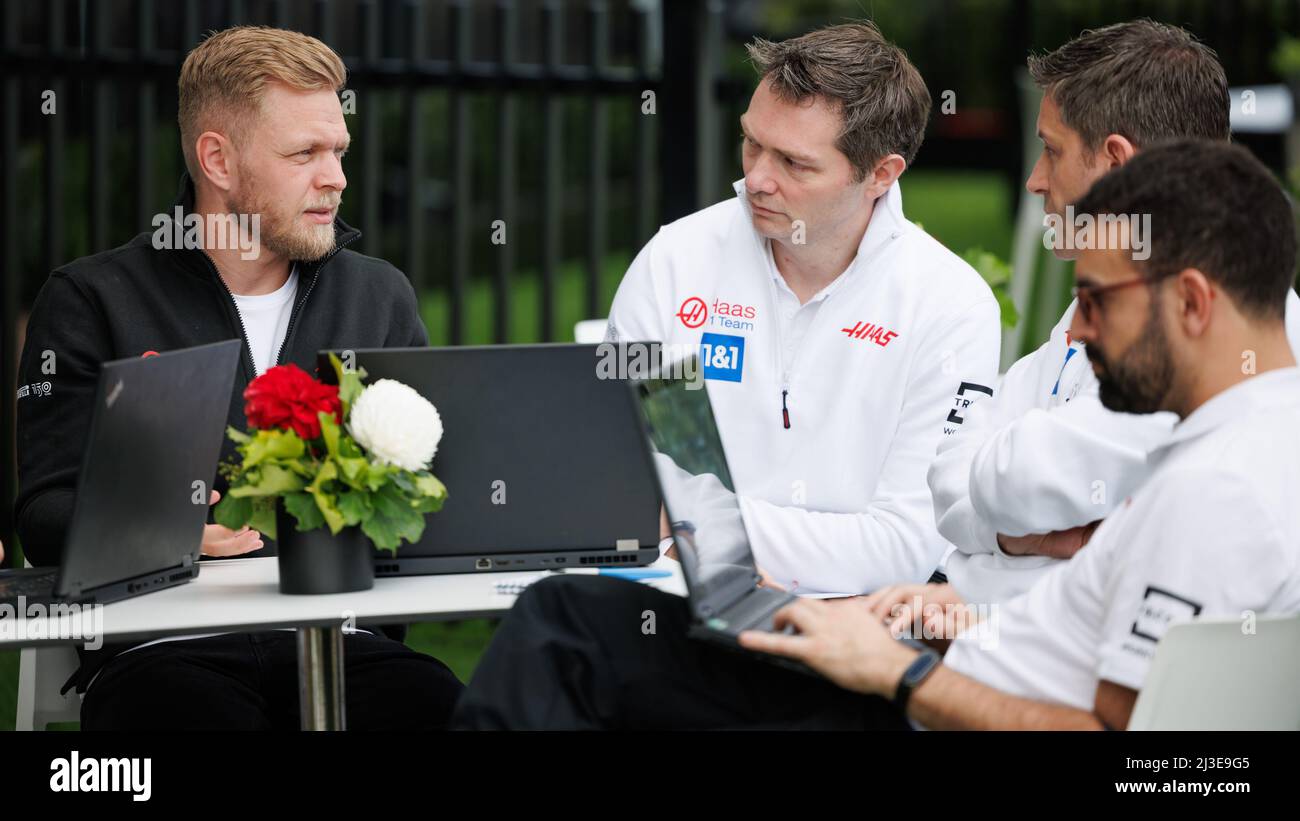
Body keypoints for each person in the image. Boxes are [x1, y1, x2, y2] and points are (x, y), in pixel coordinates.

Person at [455, 141, 1300, 730]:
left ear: (1192, 302)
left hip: (915, 703)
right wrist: (955, 615)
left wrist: (897, 669)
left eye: (1096, 300)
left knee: (568, 636)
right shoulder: (1253, 437)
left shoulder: (1216, 491)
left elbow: (1160, 759)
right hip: (933, 655)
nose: (1073, 332)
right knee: (577, 626)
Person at [14, 25, 462, 730]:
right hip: (165, 651)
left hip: (346, 643)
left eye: (339, 150)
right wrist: (162, 532)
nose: (336, 177)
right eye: (304, 153)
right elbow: (42, 514)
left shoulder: (380, 296)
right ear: (217, 159)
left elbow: (433, 496)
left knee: (444, 711)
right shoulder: (92, 299)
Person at [606, 21, 999, 596]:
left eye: (794, 163)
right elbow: (614, 466)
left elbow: (904, 547)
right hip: (670, 603)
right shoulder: (676, 257)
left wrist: (696, 528)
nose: (755, 178)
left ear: (881, 175)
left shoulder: (949, 304)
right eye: (751, 143)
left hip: (851, 631)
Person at [924, 19, 1300, 607]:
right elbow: (951, 478)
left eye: (1050, 151)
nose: (1033, 181)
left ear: (1117, 165)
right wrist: (1015, 537)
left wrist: (993, 526)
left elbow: (1009, 475)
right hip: (974, 633)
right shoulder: (1099, 305)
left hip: (1023, 665)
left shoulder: (1221, 334)